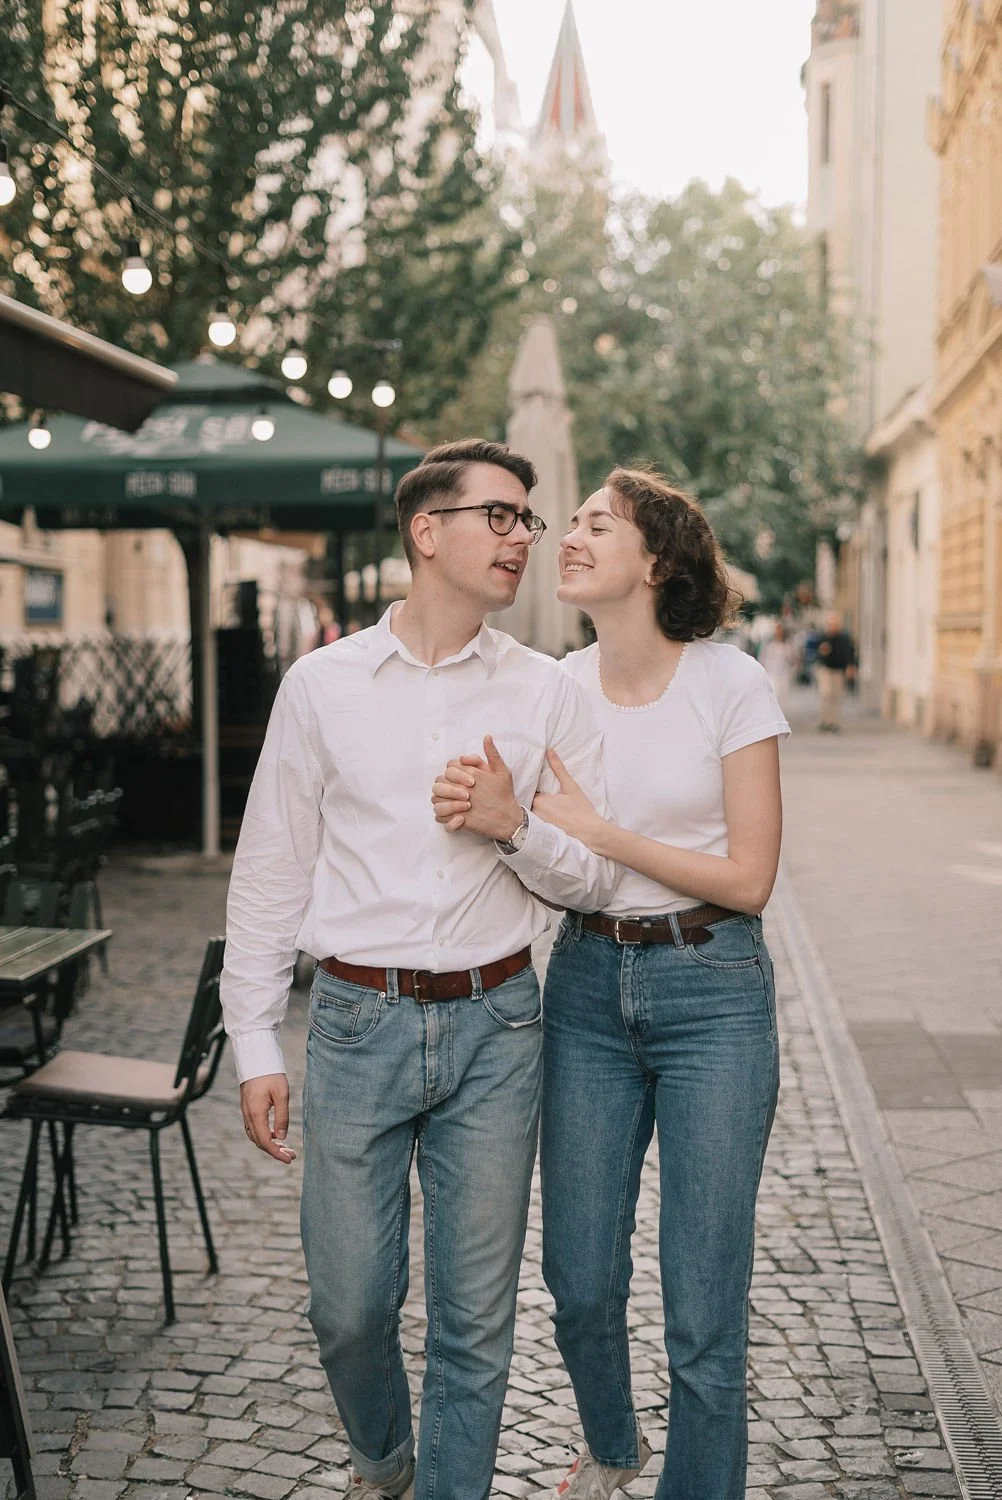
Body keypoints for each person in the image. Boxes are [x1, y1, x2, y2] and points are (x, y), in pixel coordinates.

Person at [219, 438, 617, 1500]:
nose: (522, 539)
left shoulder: (547, 692)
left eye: (528, 521)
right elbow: (269, 870)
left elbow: (592, 878)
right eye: (500, 515)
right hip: (356, 1019)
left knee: (475, 1319)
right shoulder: (321, 686)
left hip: (498, 1025)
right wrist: (255, 1039)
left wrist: (512, 825)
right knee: (347, 1305)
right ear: (425, 531)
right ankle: (384, 1460)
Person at [432, 468, 790, 1500]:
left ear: (658, 559)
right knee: (579, 1282)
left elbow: (752, 879)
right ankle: (616, 1445)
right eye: (570, 523)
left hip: (713, 991)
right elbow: (545, 853)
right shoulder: (555, 688)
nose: (568, 537)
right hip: (585, 986)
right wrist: (508, 819)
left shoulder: (730, 684)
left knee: (701, 1305)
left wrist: (605, 832)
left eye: (597, 524)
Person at [814, 610, 857, 731]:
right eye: (831, 624)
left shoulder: (844, 638)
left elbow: (849, 653)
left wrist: (850, 666)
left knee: (836, 696)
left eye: (835, 624)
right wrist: (822, 652)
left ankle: (834, 722)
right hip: (825, 670)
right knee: (825, 694)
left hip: (838, 670)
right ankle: (825, 720)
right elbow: (817, 653)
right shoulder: (823, 637)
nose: (833, 626)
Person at [758, 620, 796, 711]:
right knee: (774, 696)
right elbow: (762, 659)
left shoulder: (787, 645)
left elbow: (793, 659)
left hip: (784, 674)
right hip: (772, 674)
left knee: (782, 697)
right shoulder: (769, 645)